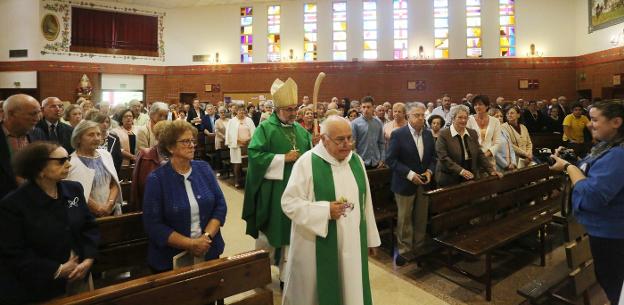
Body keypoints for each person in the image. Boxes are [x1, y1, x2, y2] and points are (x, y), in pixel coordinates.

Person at [281, 115, 380, 305]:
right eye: (340, 140)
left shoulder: (356, 161)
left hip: (352, 243)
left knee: (351, 289)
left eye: (350, 138)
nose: (347, 144)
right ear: (324, 139)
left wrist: (370, 239)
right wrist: (325, 211)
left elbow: (365, 202)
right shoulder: (307, 163)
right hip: (315, 246)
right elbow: (289, 203)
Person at [0, 142, 99, 304]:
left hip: (80, 275)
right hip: (40, 285)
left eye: (67, 158)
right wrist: (57, 270)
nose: (69, 164)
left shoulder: (73, 189)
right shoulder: (13, 204)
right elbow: (14, 251)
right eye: (61, 161)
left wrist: (89, 258)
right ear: (39, 169)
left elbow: (89, 226)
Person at [549, 100, 624, 305]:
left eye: (595, 120)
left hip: (612, 235)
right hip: (605, 231)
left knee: (613, 283)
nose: (590, 124)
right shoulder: (608, 147)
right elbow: (590, 171)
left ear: (616, 122)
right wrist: (573, 161)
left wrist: (568, 168)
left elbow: (592, 196)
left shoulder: (619, 154)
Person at [242, 77, 313, 287]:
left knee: (292, 235)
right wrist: (283, 158)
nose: (293, 113)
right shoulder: (265, 128)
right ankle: (257, 273)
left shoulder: (301, 131)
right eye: (288, 109)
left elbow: (310, 158)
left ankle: (286, 276)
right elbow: (254, 154)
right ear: (278, 108)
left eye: (295, 109)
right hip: (274, 191)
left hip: (297, 192)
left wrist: (318, 148)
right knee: (270, 233)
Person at [143, 120, 227, 274]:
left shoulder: (204, 168)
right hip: (170, 260)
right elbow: (153, 225)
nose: (191, 145)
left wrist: (206, 237)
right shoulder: (157, 179)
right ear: (170, 147)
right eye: (185, 141)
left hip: (209, 251)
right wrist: (191, 244)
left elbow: (220, 205)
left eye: (192, 141)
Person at [385, 103, 436, 265]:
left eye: (422, 115)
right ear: (408, 116)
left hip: (424, 182)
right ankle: (405, 251)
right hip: (404, 183)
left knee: (421, 218)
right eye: (416, 115)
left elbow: (433, 158)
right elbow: (391, 160)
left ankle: (419, 248)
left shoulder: (428, 135)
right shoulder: (398, 135)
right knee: (405, 219)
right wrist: (410, 174)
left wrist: (430, 171)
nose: (421, 118)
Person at [435, 105, 500, 187]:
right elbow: (443, 157)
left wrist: (491, 170)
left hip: (470, 175)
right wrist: (461, 171)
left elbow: (479, 153)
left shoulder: (472, 133)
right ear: (453, 118)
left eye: (465, 118)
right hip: (449, 177)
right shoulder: (443, 134)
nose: (463, 120)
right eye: (460, 117)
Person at [67, 120, 122, 217]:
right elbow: (78, 193)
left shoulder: (106, 154)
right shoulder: (72, 162)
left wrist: (109, 204)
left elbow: (114, 183)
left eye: (98, 134)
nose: (96, 138)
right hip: (87, 215)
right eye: (91, 135)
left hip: (110, 209)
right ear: (78, 138)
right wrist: (98, 208)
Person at [0, 94, 41, 199]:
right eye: (32, 114)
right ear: (11, 113)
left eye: (39, 112)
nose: (37, 118)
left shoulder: (37, 134)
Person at [131, 121, 170, 210]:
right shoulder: (145, 154)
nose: (166, 138)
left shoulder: (177, 154)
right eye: (162, 134)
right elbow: (137, 184)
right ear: (157, 136)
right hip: (151, 203)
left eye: (170, 135)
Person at [466, 95, 501, 166]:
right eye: (475, 105)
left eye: (480, 104)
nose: (477, 107)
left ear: (487, 106)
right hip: (473, 158)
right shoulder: (468, 119)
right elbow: (466, 140)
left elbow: (497, 142)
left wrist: (485, 155)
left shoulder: (495, 121)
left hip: (489, 158)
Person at [225, 106, 256, 187]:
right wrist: (239, 141)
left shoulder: (249, 120)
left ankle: (250, 180)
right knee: (237, 163)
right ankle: (237, 181)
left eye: (243, 112)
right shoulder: (231, 121)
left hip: (248, 144)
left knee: (250, 163)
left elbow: (254, 132)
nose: (242, 114)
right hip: (236, 145)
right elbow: (230, 134)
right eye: (240, 112)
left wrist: (248, 140)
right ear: (236, 112)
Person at [351, 96, 385, 169]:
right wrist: (357, 161)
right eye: (363, 107)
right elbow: (353, 146)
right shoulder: (355, 124)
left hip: (376, 162)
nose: (366, 109)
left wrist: (382, 159)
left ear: (373, 107)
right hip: (361, 162)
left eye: (368, 107)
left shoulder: (378, 123)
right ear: (360, 108)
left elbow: (381, 143)